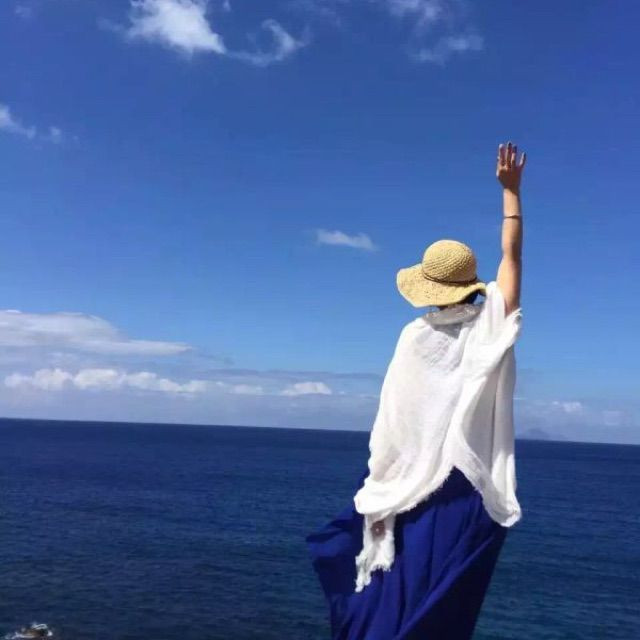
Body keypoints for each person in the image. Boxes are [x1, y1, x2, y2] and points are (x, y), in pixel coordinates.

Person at [306, 142, 526, 640]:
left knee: (393, 593)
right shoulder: (493, 321)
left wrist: (383, 482)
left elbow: (396, 420)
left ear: (428, 288)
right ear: (471, 283)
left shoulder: (414, 337)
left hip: (408, 484)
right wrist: (511, 193)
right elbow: (512, 257)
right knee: (446, 600)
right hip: (466, 484)